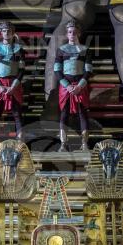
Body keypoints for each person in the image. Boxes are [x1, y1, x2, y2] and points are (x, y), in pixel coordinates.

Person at [53, 21, 93, 152]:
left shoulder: (85, 50)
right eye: (70, 32)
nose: (72, 34)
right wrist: (67, 86)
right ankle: (63, 144)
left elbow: (88, 70)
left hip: (80, 86)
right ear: (67, 34)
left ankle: (84, 143)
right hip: (66, 87)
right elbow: (57, 70)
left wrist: (80, 86)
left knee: (83, 113)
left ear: (79, 33)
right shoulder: (61, 50)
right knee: (64, 113)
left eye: (74, 32)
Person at [0, 21, 26, 149]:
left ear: (13, 32)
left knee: (17, 113)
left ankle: (20, 142)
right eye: (4, 30)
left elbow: (21, 70)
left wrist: (13, 86)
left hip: (14, 85)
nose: (6, 33)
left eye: (9, 31)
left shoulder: (19, 49)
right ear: (1, 32)